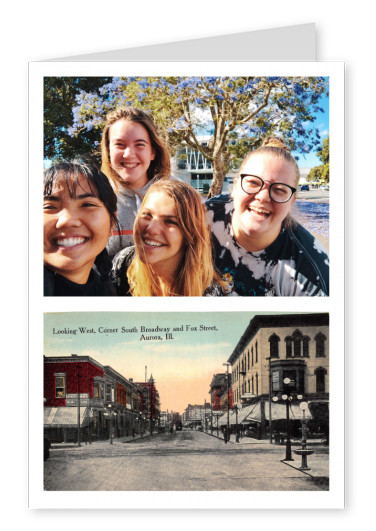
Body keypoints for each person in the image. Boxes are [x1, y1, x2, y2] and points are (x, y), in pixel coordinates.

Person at [206, 137, 329, 296]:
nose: (263, 197)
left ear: (292, 201)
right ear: (235, 186)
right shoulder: (203, 216)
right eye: (253, 183)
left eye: (279, 189)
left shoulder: (311, 275)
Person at [111, 180, 225, 296]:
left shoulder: (209, 293)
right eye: (147, 215)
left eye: (170, 221)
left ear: (190, 234)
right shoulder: (122, 264)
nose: (152, 229)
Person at [101, 106, 171, 257]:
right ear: (108, 151)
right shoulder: (95, 199)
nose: (129, 154)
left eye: (139, 144)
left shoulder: (176, 196)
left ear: (152, 152)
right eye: (119, 144)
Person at [43, 158, 118, 296]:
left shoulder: (107, 292)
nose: (67, 221)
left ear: (112, 224)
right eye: (49, 207)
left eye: (87, 205)